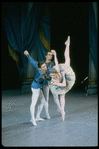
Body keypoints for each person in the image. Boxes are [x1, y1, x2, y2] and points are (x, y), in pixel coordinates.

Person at [48, 36, 76, 121]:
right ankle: (59, 109)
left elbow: (56, 63)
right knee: (57, 98)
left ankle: (67, 45)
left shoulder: (57, 71)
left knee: (67, 59)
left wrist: (55, 54)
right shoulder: (53, 82)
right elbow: (63, 84)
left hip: (63, 79)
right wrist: (62, 76)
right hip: (60, 85)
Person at [24, 50, 51, 126]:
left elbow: (32, 61)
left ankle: (37, 117)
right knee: (33, 103)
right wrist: (51, 78)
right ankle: (32, 119)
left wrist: (28, 55)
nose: (45, 67)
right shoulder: (40, 73)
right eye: (43, 67)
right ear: (40, 68)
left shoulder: (42, 67)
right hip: (35, 87)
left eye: (45, 66)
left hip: (39, 87)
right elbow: (48, 78)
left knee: (42, 101)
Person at [36, 50, 62, 121]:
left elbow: (57, 64)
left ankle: (59, 109)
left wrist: (55, 54)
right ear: (46, 56)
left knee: (56, 96)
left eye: (51, 55)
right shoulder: (43, 64)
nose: (51, 56)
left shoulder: (52, 63)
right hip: (45, 83)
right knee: (46, 99)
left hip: (52, 82)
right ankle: (47, 114)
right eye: (49, 55)